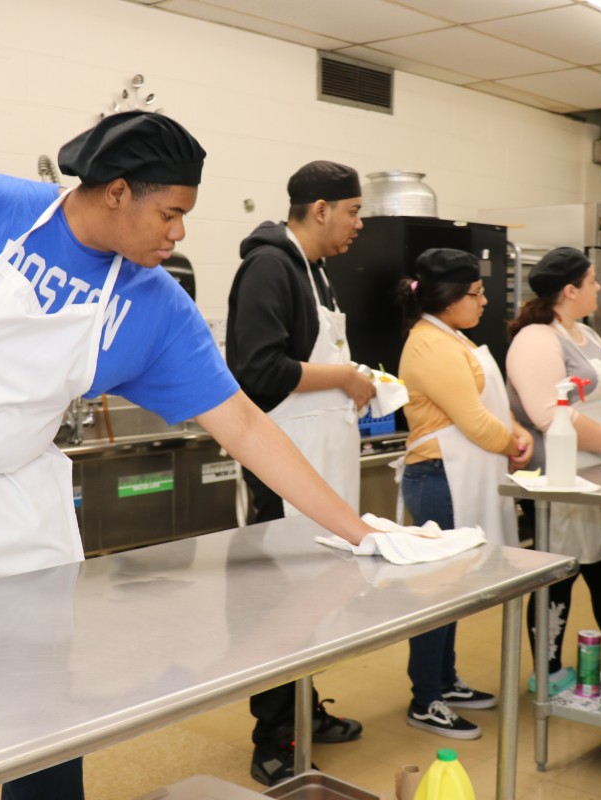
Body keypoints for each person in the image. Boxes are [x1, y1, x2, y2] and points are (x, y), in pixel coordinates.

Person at [0, 111, 374, 800]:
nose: (180, 231)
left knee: (37, 733)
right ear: (118, 191)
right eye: (171, 212)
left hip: (7, 528)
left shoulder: (151, 306)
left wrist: (364, 532)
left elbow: (245, 425)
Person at [225, 160, 374, 785]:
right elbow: (258, 369)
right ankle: (273, 737)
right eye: (354, 211)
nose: (359, 224)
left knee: (315, 594)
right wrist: (343, 376)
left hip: (321, 461)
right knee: (279, 604)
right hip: (280, 463)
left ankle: (304, 709)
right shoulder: (269, 267)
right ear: (320, 210)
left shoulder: (314, 273)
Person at [396, 248, 533, 739]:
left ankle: (443, 680)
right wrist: (513, 441)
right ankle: (424, 699)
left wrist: (515, 431)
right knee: (437, 593)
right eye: (475, 294)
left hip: (457, 474)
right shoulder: (430, 345)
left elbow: (484, 407)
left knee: (454, 589)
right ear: (450, 298)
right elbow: (473, 420)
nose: (483, 301)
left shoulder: (452, 337)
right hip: (438, 478)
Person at [505, 247, 601, 695]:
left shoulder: (588, 335)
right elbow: (550, 415)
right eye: (592, 280)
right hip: (567, 478)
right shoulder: (536, 339)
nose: (599, 287)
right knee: (559, 577)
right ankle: (546, 673)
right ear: (570, 290)